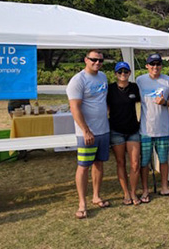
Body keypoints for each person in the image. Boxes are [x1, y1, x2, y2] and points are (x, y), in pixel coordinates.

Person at [66, 49, 110, 219]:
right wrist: (85, 130)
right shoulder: (78, 80)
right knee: (84, 167)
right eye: (93, 60)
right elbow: (74, 108)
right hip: (87, 133)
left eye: (100, 60)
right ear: (86, 60)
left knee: (99, 164)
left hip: (104, 130)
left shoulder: (103, 77)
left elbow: (103, 101)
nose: (97, 63)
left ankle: (96, 196)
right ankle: (82, 203)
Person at [137, 53, 169, 200]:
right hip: (145, 130)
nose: (155, 67)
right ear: (147, 66)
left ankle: (164, 188)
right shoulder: (140, 80)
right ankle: (145, 190)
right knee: (144, 162)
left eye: (158, 64)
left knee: (163, 160)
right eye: (152, 64)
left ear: (162, 65)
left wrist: (165, 103)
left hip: (162, 129)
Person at [107, 62, 141, 205]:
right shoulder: (110, 89)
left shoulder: (134, 87)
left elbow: (140, 105)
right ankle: (126, 193)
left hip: (133, 130)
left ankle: (133, 192)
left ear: (129, 73)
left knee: (135, 163)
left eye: (125, 71)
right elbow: (106, 108)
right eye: (120, 71)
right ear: (115, 74)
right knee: (120, 162)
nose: (123, 74)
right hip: (116, 131)